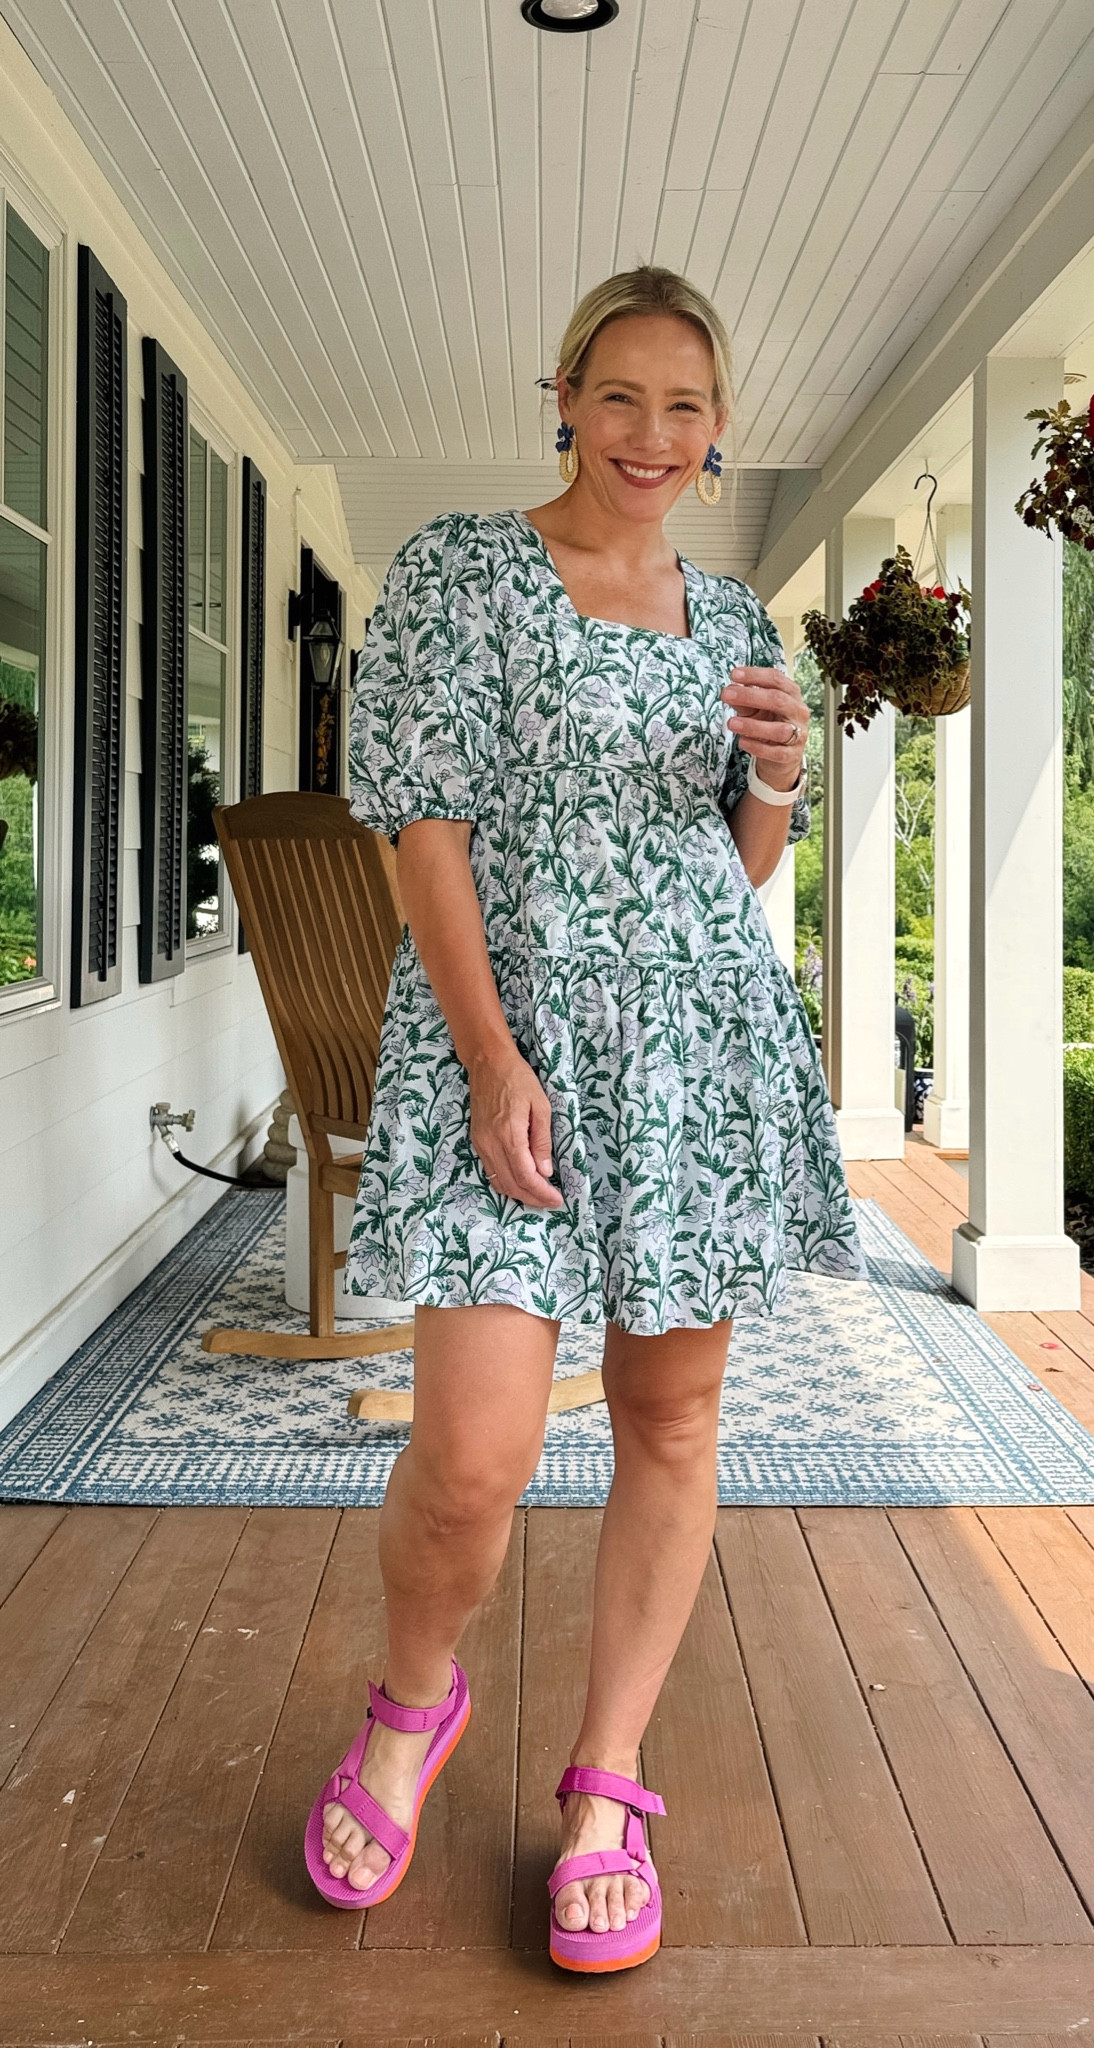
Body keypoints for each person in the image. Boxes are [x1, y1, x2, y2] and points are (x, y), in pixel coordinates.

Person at [302, 266, 865, 1974]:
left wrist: (774, 777)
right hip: (510, 1041)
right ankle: (412, 1708)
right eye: (620, 396)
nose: (651, 434)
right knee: (471, 1458)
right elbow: (425, 826)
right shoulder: (466, 571)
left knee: (668, 1419)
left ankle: (608, 1781)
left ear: (719, 433)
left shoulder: (742, 619)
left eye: (685, 406)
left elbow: (740, 868)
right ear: (563, 396)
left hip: (691, 1048)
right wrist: (487, 1053)